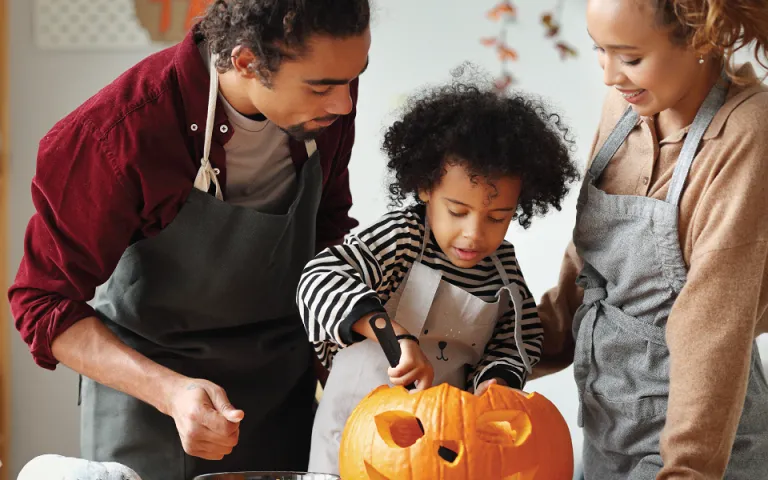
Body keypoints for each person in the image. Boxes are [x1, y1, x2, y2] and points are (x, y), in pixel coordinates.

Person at [7, 0, 370, 478]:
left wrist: (352, 376)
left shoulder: (328, 107)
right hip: (152, 403)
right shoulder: (118, 133)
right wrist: (171, 393)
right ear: (245, 61)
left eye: (353, 78)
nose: (344, 103)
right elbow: (41, 302)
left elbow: (327, 235)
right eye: (322, 86)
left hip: (283, 392)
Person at [296, 81, 580, 474]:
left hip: (442, 442)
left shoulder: (503, 271)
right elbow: (321, 277)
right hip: (360, 432)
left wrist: (496, 383)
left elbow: (520, 340)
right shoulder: (402, 238)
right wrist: (392, 335)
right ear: (426, 187)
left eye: (498, 217)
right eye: (458, 211)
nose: (474, 234)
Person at [536, 0, 768, 478]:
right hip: (606, 432)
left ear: (704, 37)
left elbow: (713, 325)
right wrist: (502, 352)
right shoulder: (623, 106)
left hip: (699, 448)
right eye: (599, 49)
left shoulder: (748, 131)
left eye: (630, 57)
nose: (609, 76)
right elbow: (587, 265)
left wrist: (687, 469)